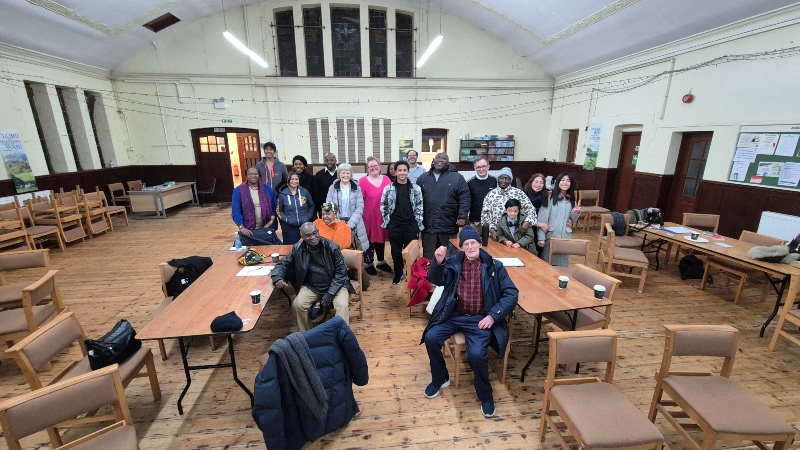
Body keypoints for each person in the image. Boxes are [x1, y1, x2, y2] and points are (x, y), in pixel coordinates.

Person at [421, 226, 518, 418]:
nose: (470, 246)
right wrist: (438, 262)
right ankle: (440, 378)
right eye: (466, 244)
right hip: (454, 315)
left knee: (476, 355)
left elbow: (511, 293)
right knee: (431, 338)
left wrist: (492, 316)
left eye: (473, 242)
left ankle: (486, 395)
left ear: (480, 244)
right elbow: (437, 280)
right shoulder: (454, 263)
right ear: (462, 247)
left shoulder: (494, 266)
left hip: (480, 319)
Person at [272, 222, 354, 332]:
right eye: (308, 235)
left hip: (336, 285)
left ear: (318, 231)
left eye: (315, 233)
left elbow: (341, 272)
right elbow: (283, 263)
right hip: (312, 286)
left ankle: (343, 337)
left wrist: (330, 294)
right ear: (302, 237)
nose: (313, 237)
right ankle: (305, 336)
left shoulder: (332, 247)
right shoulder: (298, 248)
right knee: (297, 305)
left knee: (342, 305)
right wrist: (277, 277)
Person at [416, 152, 470, 260]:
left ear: (448, 163)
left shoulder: (457, 178)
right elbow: (416, 200)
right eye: (438, 158)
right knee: (429, 258)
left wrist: (462, 216)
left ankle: (450, 276)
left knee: (450, 256)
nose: (440, 160)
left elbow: (464, 197)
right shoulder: (423, 178)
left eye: (443, 159)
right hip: (428, 226)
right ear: (433, 160)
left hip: (448, 225)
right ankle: (430, 276)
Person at [381, 160, 424, 285]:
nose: (402, 173)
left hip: (411, 225)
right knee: (396, 252)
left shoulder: (416, 188)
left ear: (408, 172)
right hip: (395, 225)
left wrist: (417, 224)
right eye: (399, 170)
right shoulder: (388, 188)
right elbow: (383, 205)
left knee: (411, 253)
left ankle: (413, 274)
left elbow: (420, 207)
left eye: (404, 170)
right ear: (395, 172)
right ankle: (399, 273)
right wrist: (388, 222)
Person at [315, 202, 371, 291]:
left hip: (334, 260)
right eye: (323, 214)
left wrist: (339, 224)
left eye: (328, 214)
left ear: (335, 214)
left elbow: (338, 245)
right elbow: (305, 238)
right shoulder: (317, 223)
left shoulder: (343, 226)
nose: (325, 217)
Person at [537, 172, 581, 266]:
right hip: (551, 235)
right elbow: (542, 218)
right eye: (563, 180)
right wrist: (541, 237)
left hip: (565, 236)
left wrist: (575, 212)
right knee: (547, 264)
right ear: (557, 182)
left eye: (568, 181)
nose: (565, 183)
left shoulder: (572, 199)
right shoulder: (549, 197)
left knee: (563, 265)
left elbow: (572, 220)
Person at [481, 167, 536, 242]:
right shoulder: (491, 195)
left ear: (510, 180)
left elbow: (530, 209)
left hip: (516, 234)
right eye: (501, 178)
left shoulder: (518, 193)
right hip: (496, 234)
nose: (504, 181)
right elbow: (485, 215)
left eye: (507, 178)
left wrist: (527, 222)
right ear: (498, 179)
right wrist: (492, 230)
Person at [325, 163, 369, 255]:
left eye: (348, 173)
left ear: (351, 174)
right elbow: (328, 207)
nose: (345, 175)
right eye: (343, 173)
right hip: (337, 223)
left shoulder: (357, 187)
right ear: (339, 174)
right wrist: (337, 222)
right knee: (338, 251)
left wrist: (349, 225)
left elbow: (360, 207)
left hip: (354, 224)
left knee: (355, 251)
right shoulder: (332, 187)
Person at [359, 156, 392, 275]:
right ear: (367, 168)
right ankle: (368, 263)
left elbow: (392, 196)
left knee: (380, 238)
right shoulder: (362, 181)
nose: (373, 168)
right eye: (370, 166)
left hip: (383, 215)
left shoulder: (387, 179)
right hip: (368, 216)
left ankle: (381, 261)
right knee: (369, 239)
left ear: (379, 166)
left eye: (375, 165)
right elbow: (359, 200)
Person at [231, 167, 281, 245]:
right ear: (246, 176)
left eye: (255, 174)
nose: (253, 176)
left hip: (266, 228)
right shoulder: (238, 190)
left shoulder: (266, 188)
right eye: (250, 174)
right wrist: (241, 227)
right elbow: (236, 211)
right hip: (248, 230)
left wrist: (271, 221)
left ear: (259, 175)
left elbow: (274, 205)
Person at [277, 172, 315, 244]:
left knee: (307, 246)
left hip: (305, 226)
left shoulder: (304, 192)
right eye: (292, 179)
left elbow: (311, 205)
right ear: (288, 181)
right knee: (291, 248)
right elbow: (280, 210)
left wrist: (308, 217)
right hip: (289, 227)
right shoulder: (282, 194)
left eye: (296, 179)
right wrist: (287, 220)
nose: (294, 181)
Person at [466, 156, 497, 233]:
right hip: (476, 221)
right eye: (478, 167)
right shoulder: (470, 183)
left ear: (488, 167)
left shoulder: (495, 181)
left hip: (493, 221)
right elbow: (466, 202)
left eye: (483, 166)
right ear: (475, 168)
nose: (481, 169)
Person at [523, 173, 547, 257]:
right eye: (536, 182)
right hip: (527, 225)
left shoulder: (546, 195)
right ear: (531, 182)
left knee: (539, 249)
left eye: (541, 182)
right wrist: (537, 224)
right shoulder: (523, 194)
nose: (538, 185)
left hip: (541, 223)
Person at [314, 153, 338, 217]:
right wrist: (319, 209)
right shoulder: (319, 175)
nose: (329, 162)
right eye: (327, 160)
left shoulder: (341, 173)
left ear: (336, 161)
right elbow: (316, 193)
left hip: (340, 209)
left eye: (331, 160)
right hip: (325, 210)